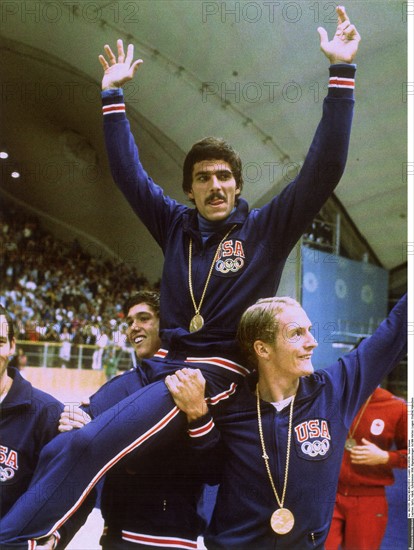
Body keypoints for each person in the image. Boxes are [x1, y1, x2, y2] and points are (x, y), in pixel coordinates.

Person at [0, 6, 361, 547]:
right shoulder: (174, 225)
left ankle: (20, 538)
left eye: (224, 177)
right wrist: (113, 99)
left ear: (237, 187)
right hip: (163, 365)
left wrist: (341, 76)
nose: (214, 186)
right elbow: (128, 176)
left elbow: (322, 170)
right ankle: (44, 532)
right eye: (202, 178)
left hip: (212, 374)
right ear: (189, 190)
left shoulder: (264, 231)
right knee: (66, 431)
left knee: (88, 446)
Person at [166, 294, 407, 549]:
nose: (312, 342)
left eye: (310, 331)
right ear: (263, 349)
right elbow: (210, 473)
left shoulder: (334, 391)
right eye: (297, 333)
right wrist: (198, 418)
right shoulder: (230, 403)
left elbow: (394, 333)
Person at [59, 291, 206, 549]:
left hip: (170, 534)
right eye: (128, 322)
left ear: (166, 323)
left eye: (144, 318)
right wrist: (73, 418)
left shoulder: (190, 381)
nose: (133, 328)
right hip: (116, 531)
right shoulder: (120, 385)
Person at [0, 305, 63, 549]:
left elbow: (74, 486)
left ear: (12, 346)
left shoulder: (47, 414)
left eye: (0, 341)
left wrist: (55, 540)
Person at [324, 386, 407, 550]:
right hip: (327, 496)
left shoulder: (396, 407)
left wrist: (386, 457)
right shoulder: (329, 399)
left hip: (368, 498)